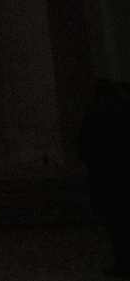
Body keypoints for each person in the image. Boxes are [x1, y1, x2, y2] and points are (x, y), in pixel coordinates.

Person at [78, 78, 130, 278]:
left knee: (117, 225)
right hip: (120, 175)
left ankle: (123, 263)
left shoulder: (98, 115)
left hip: (108, 177)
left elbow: (85, 145)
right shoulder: (122, 111)